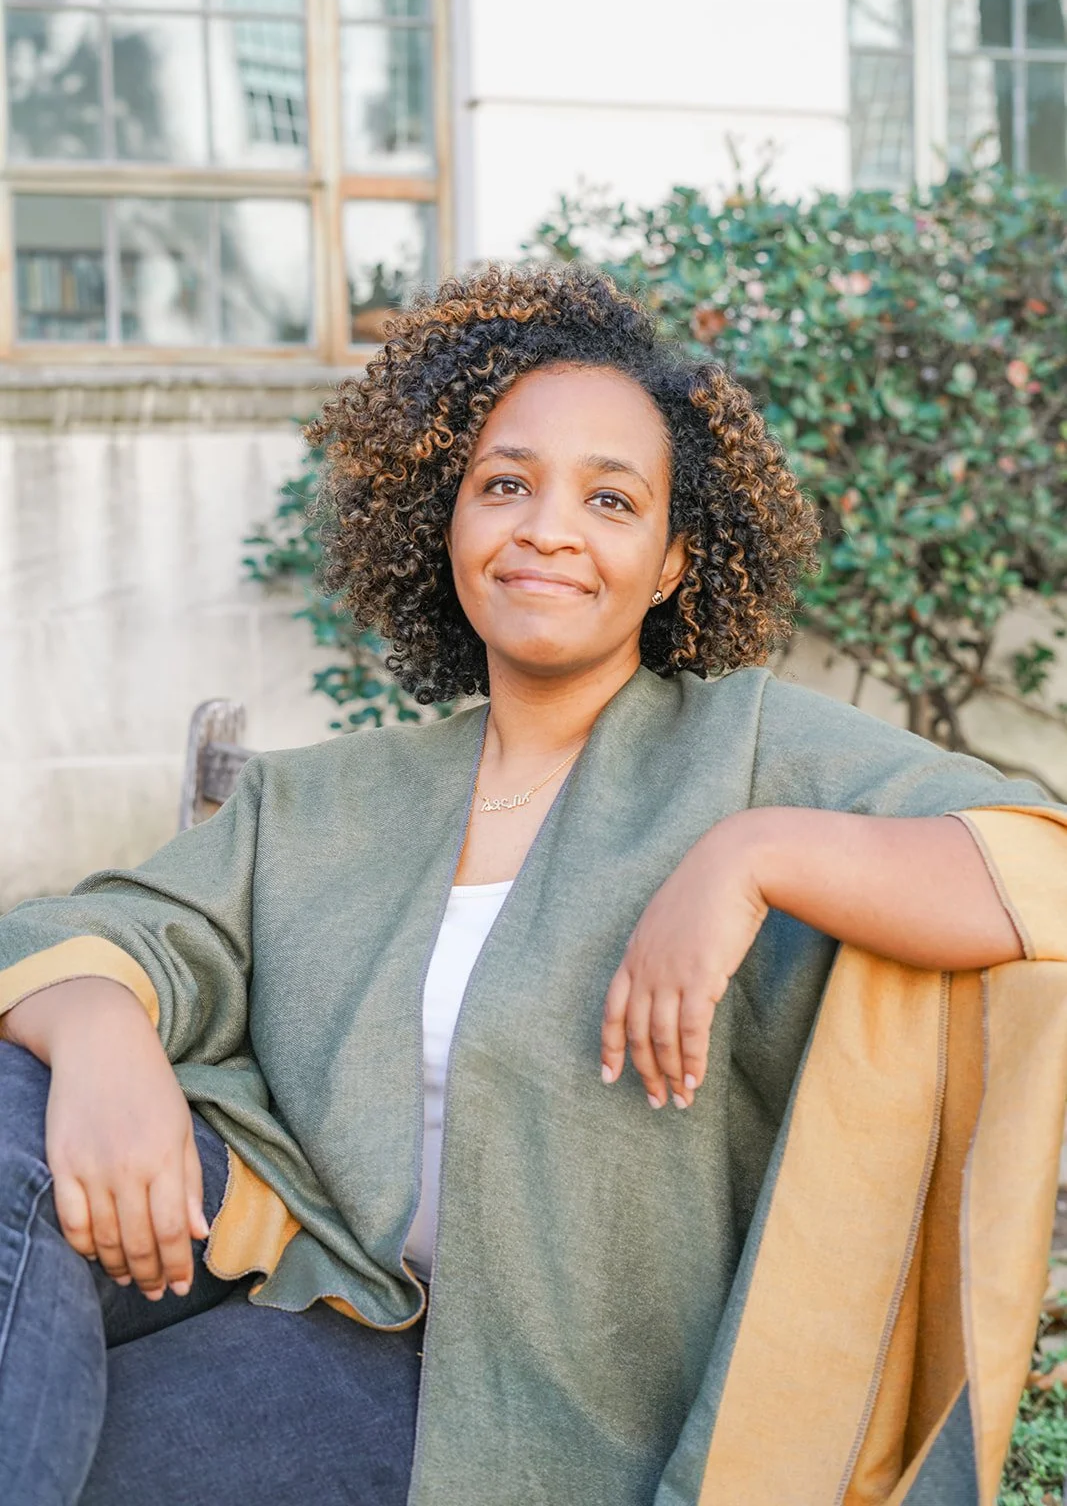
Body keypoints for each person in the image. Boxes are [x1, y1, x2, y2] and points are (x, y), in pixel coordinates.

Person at [1, 265, 1065, 1506]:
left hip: (558, 1397)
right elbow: (95, 927)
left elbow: (1035, 867)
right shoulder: (332, 797)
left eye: (609, 499)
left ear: (670, 560)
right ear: (444, 522)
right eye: (503, 484)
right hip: (328, 1287)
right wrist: (103, 1037)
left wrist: (749, 853)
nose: (546, 527)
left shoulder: (748, 749)